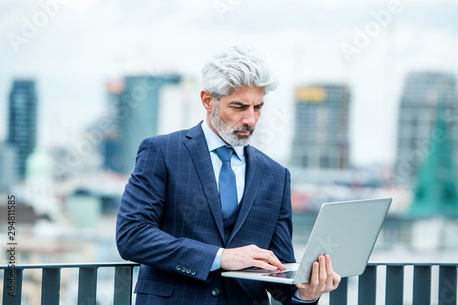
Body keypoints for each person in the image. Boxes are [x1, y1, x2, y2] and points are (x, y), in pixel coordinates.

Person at [115, 45, 341, 305]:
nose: (250, 119)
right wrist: (220, 257)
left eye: (257, 107)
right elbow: (133, 235)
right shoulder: (162, 152)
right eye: (239, 106)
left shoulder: (276, 175)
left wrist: (305, 294)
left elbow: (278, 269)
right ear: (207, 100)